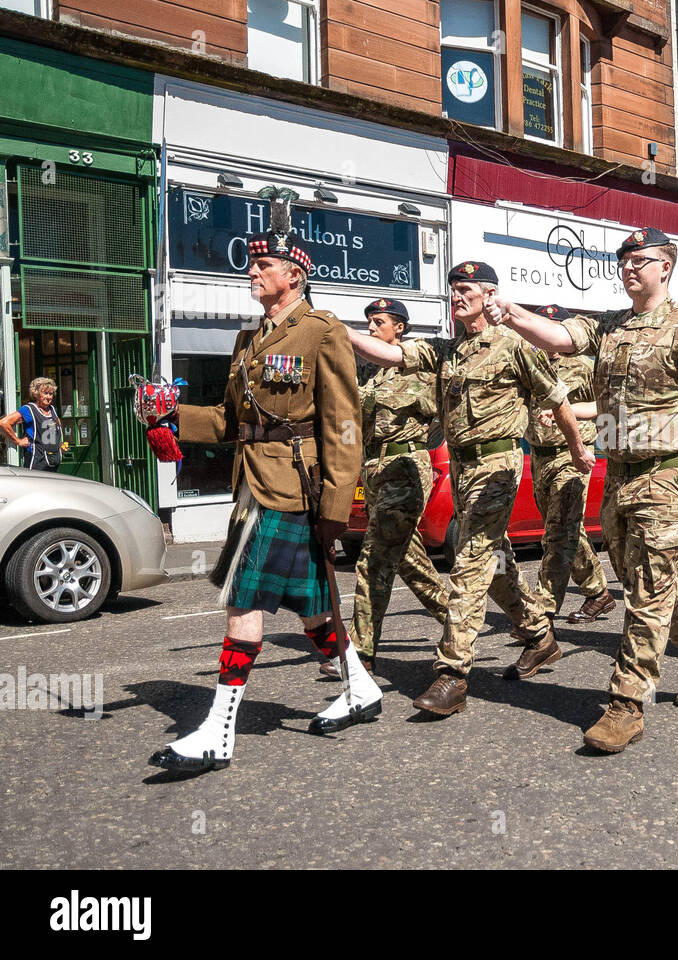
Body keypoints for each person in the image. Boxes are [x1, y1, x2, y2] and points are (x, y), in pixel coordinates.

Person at [491, 226, 678, 752]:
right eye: (622, 260)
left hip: (671, 473)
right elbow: (559, 338)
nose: (628, 268)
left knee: (645, 589)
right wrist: (511, 314)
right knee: (636, 574)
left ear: (665, 266)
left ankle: (625, 704)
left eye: (639, 260)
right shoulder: (610, 327)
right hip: (619, 472)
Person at [149, 196, 382, 773]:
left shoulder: (322, 331)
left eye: (263, 268)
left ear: (293, 275)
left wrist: (335, 505)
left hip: (294, 487)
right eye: (252, 267)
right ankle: (361, 687)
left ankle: (217, 732)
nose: (251, 274)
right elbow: (234, 422)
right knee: (311, 605)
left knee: (243, 597)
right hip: (251, 483)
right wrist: (173, 415)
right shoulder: (248, 341)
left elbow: (344, 423)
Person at [348, 262, 593, 716]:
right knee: (496, 562)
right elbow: (391, 356)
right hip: (462, 469)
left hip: (499, 464)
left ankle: (452, 673)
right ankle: (540, 636)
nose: (457, 296)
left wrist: (579, 450)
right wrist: (336, 332)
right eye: (453, 290)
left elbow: (557, 398)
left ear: (488, 295)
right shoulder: (445, 351)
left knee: (472, 560)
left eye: (465, 289)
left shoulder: (514, 346)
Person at [327, 298, 450, 680]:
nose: (370, 327)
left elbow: (447, 410)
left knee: (373, 559)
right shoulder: (374, 378)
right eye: (367, 322)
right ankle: (459, 621)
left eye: (378, 322)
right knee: (407, 559)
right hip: (376, 471)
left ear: (399, 327)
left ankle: (360, 654)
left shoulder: (423, 370)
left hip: (407, 467)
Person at [525, 304, 616, 625]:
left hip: (572, 455)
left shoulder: (583, 366)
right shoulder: (531, 364)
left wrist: (575, 414)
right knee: (569, 530)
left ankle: (542, 609)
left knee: (557, 532)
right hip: (539, 456)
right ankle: (598, 593)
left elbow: (605, 405)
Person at [1, 377, 68, 471]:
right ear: (36, 394)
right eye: (45, 393)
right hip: (36, 461)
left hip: (53, 460)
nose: (48, 397)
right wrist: (18, 441)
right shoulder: (29, 410)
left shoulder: (52, 409)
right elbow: (4, 423)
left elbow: (53, 429)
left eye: (51, 394)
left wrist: (59, 445)